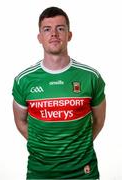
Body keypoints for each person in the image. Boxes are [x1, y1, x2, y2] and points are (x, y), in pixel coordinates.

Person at [12, 6, 106, 179]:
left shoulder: (91, 77)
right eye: (47, 29)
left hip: (83, 171)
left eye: (60, 28)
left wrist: (79, 147)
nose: (54, 34)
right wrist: (44, 148)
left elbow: (99, 120)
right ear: (39, 37)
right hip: (40, 171)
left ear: (69, 35)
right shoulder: (23, 80)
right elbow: (20, 121)